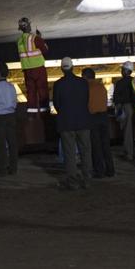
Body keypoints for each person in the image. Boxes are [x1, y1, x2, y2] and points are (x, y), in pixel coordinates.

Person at [51, 57, 91, 189]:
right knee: (85, 151)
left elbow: (56, 104)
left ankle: (73, 182)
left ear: (62, 68)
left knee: (69, 154)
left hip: (66, 123)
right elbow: (86, 100)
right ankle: (87, 179)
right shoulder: (83, 83)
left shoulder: (58, 84)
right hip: (83, 122)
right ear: (73, 67)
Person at [83, 69, 115, 178]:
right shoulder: (101, 87)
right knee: (105, 145)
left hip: (92, 118)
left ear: (85, 77)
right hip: (104, 117)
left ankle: (99, 171)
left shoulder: (86, 88)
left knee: (96, 146)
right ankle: (110, 170)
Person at [16, 17, 50, 112]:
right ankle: (45, 111)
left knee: (31, 92)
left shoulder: (19, 41)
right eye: (29, 24)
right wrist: (41, 38)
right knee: (42, 89)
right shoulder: (34, 38)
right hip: (38, 68)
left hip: (27, 70)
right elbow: (45, 50)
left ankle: (31, 112)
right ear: (27, 26)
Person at [112, 63, 135, 160]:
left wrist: (118, 110)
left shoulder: (120, 83)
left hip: (125, 107)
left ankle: (129, 153)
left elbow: (116, 98)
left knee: (127, 131)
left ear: (125, 71)